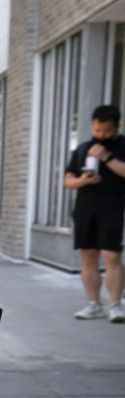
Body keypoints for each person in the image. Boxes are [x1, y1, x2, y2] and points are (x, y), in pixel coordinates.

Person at [62, 105, 125, 322]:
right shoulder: (82, 148)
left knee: (111, 256)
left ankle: (115, 305)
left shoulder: (122, 146)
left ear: (116, 127)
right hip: (85, 208)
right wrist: (83, 181)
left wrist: (106, 158)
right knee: (88, 255)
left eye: (106, 131)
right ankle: (93, 304)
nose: (101, 135)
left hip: (113, 207)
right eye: (97, 130)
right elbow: (67, 181)